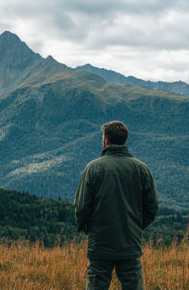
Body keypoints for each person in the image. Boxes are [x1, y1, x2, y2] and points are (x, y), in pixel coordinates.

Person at [75, 121, 158, 290]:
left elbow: (82, 208)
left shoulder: (93, 169)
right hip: (130, 242)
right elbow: (152, 207)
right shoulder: (141, 169)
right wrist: (135, 226)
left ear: (106, 140)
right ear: (124, 140)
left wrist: (90, 230)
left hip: (100, 243)